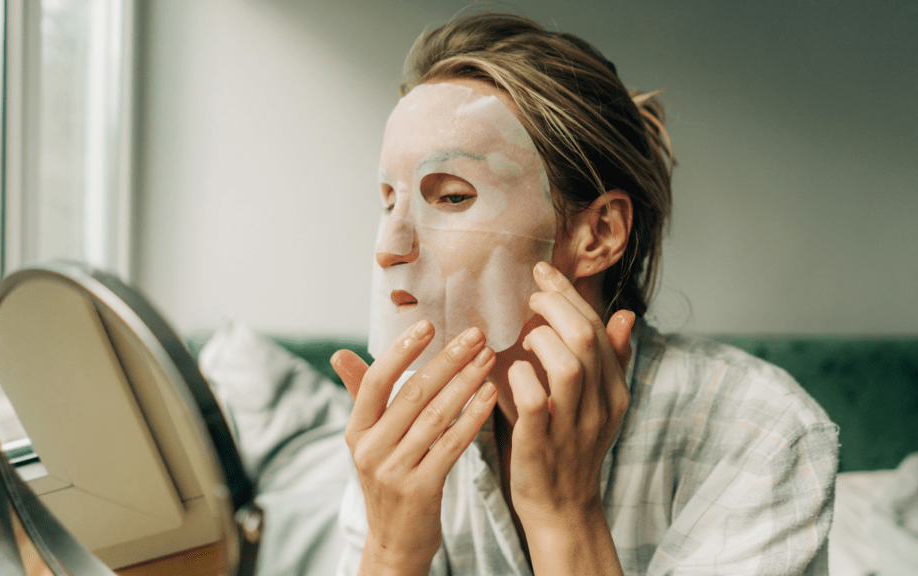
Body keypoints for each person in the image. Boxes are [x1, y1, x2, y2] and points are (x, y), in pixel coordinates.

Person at [328, 12, 838, 576]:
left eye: (450, 196)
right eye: (388, 200)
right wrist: (391, 550)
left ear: (597, 234)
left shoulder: (762, 432)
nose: (390, 246)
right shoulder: (401, 435)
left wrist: (564, 514)